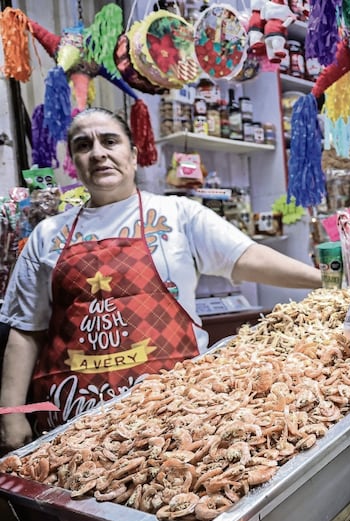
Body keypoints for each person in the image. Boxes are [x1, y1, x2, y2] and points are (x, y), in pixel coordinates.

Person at [0, 107, 321, 451]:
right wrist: (12, 412)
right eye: (83, 145)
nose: (98, 153)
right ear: (75, 161)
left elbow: (247, 258)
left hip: (177, 416)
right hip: (77, 426)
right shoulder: (48, 235)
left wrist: (325, 281)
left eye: (110, 141)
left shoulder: (178, 214)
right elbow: (25, 330)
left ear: (134, 154)